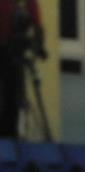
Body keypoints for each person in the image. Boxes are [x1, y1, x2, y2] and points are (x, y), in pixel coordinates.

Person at [0, 0, 44, 138]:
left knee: (13, 99)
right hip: (6, 52)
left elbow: (37, 27)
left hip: (15, 56)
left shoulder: (27, 3)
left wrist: (37, 46)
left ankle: (11, 135)